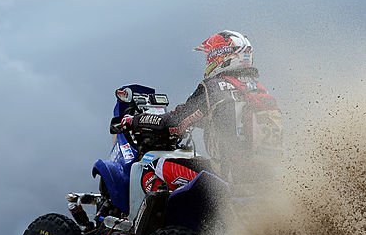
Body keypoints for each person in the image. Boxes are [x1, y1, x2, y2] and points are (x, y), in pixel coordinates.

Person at [120, 30, 282, 192]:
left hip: (227, 178)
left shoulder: (214, 87)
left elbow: (173, 123)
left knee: (153, 167)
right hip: (265, 179)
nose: (208, 61)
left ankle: (176, 217)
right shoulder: (259, 91)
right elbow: (226, 123)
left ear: (223, 56)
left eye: (211, 56)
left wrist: (134, 120)